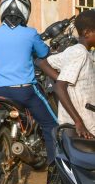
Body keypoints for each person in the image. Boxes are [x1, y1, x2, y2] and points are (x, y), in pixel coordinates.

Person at [0, 0, 58, 162]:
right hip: (25, 91)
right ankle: (55, 170)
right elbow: (44, 54)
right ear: (25, 12)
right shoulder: (30, 33)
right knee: (51, 125)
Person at [37, 9, 95, 138]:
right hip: (84, 123)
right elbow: (59, 87)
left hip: (81, 119)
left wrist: (62, 79)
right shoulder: (80, 54)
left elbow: (43, 63)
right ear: (86, 33)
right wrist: (79, 122)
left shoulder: (73, 50)